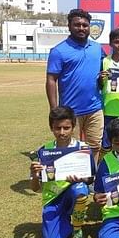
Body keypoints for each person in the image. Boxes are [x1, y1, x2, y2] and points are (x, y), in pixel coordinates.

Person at [46, 9, 105, 162]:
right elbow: (51, 80)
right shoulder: (59, 51)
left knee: (95, 146)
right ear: (69, 26)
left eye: (85, 25)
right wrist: (54, 109)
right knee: (70, 146)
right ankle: (69, 180)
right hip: (70, 110)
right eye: (77, 24)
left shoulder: (97, 48)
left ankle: (90, 179)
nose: (81, 28)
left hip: (95, 108)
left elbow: (109, 67)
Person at [30, 106, 91, 238]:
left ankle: (77, 231)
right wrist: (34, 174)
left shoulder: (82, 148)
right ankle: (64, 222)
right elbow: (35, 188)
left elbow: (90, 179)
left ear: (73, 127)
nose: (62, 132)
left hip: (73, 194)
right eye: (58, 128)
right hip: (53, 199)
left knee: (81, 188)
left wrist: (82, 178)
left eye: (66, 128)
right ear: (51, 127)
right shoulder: (43, 151)